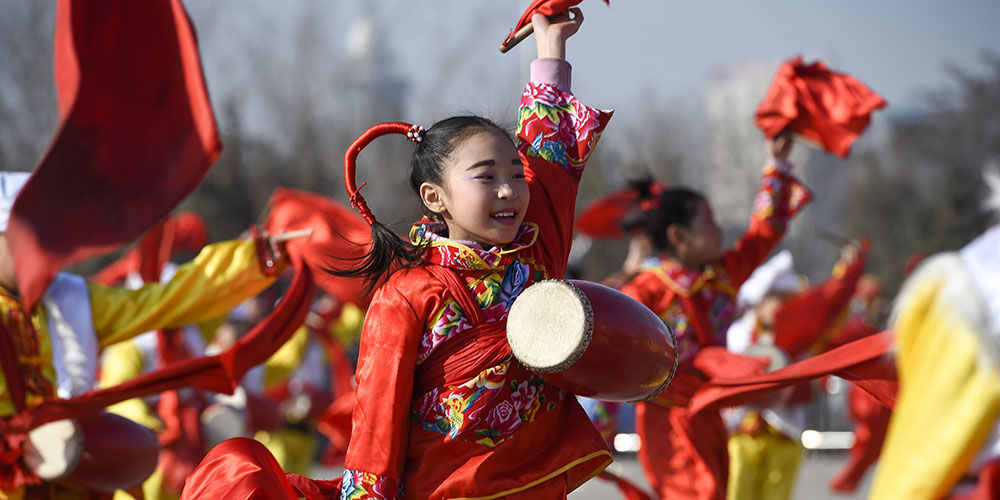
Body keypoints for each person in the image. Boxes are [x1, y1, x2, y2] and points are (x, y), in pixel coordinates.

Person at [180, 9, 612, 500]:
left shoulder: (536, 256)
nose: (510, 190)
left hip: (534, 484)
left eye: (515, 175)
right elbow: (376, 420)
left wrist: (550, 48)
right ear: (435, 198)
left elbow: (548, 159)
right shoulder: (408, 294)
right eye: (486, 177)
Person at [0, 172, 287, 499]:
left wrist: (254, 257)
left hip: (80, 480)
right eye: (25, 238)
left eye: (48, 238)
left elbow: (165, 300)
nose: (41, 251)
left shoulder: (72, 299)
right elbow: (117, 385)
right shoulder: (125, 343)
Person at [619, 135, 811, 500]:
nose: (719, 229)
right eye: (709, 221)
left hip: (710, 412)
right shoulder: (647, 289)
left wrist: (778, 167)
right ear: (679, 236)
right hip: (667, 418)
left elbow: (763, 233)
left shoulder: (722, 274)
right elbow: (612, 337)